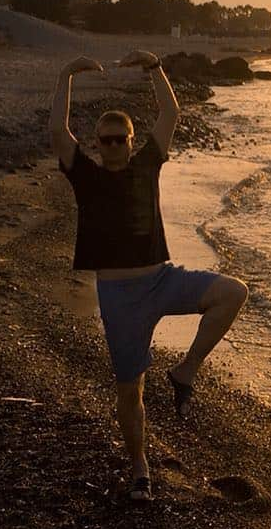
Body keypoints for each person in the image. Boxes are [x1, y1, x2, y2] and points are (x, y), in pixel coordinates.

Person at [48, 49, 248, 503]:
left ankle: (185, 371)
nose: (115, 146)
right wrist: (66, 75)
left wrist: (156, 67)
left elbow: (171, 112)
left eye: (121, 139)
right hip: (119, 297)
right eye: (107, 140)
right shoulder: (85, 175)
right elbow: (58, 130)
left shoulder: (146, 165)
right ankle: (139, 465)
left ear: (132, 140)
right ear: (96, 143)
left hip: (162, 279)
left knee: (233, 292)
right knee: (129, 391)